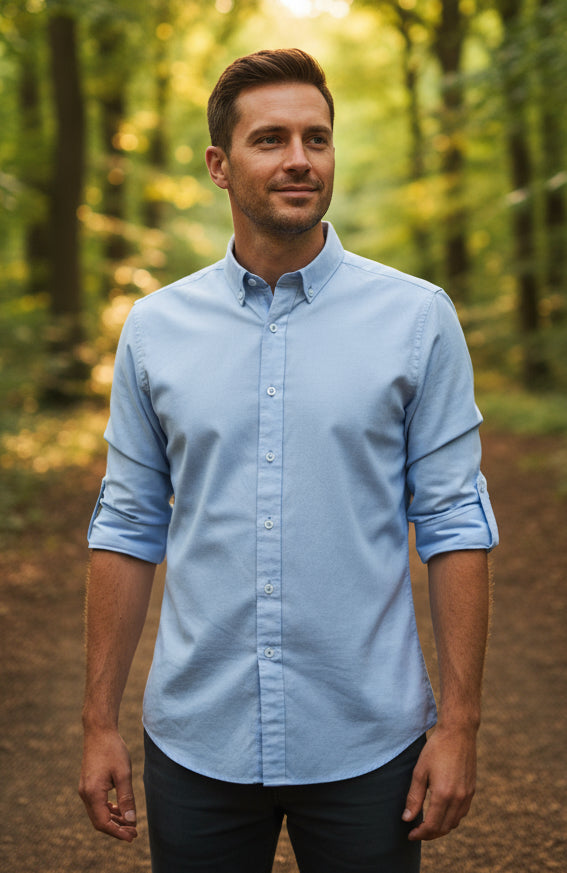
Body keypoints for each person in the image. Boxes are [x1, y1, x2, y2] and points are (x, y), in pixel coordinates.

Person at [79, 48, 498, 873]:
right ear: (219, 165)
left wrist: (457, 725)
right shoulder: (156, 329)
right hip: (198, 739)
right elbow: (127, 524)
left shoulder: (416, 319)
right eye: (269, 139)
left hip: (367, 741)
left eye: (317, 138)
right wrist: (97, 722)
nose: (299, 159)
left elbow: (455, 523)